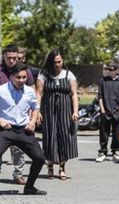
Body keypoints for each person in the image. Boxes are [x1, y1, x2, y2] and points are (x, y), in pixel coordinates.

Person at [0, 63, 46, 199]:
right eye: (18, 77)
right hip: (6, 130)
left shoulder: (29, 92)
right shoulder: (0, 91)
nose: (22, 80)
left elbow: (35, 107)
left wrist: (32, 122)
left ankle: (29, 187)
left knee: (39, 158)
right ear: (12, 77)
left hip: (24, 130)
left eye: (24, 77)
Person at [0, 44, 35, 185]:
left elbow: (32, 92)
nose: (12, 61)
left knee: (19, 148)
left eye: (15, 58)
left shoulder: (24, 70)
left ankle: (18, 174)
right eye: (9, 58)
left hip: (20, 117)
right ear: (4, 56)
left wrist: (33, 115)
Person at [36, 50, 79, 179]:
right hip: (48, 110)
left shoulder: (69, 74)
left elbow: (74, 94)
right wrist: (37, 111)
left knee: (64, 137)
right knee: (49, 137)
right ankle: (49, 167)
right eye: (55, 62)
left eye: (60, 61)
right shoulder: (43, 74)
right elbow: (38, 93)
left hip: (65, 110)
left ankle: (62, 167)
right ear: (50, 62)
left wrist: (75, 111)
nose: (58, 64)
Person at [95, 61, 119, 163]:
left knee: (116, 134)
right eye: (107, 69)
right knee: (104, 134)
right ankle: (103, 152)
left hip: (117, 112)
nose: (108, 71)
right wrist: (103, 110)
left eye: (111, 70)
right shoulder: (103, 81)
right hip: (106, 112)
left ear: (116, 70)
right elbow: (100, 97)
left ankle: (116, 152)